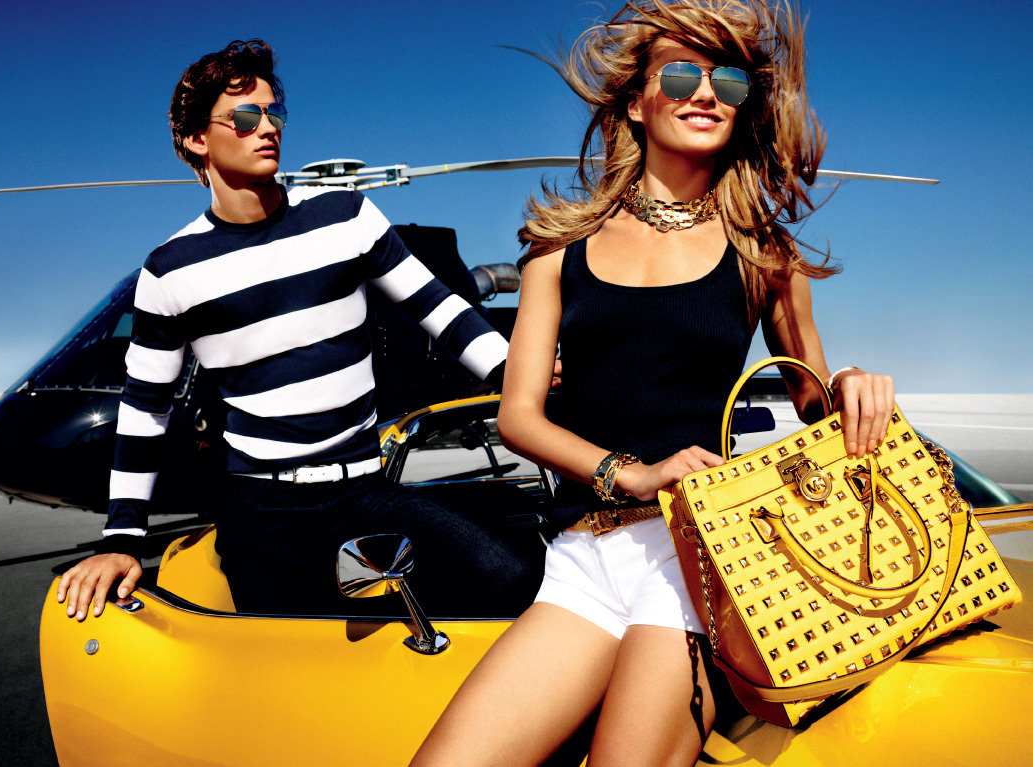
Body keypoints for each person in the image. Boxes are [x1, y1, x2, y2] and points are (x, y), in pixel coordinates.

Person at [411, 1, 895, 764]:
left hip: (699, 557)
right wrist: (629, 473)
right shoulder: (556, 249)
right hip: (586, 553)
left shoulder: (763, 252)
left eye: (727, 83)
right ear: (636, 103)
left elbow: (812, 398)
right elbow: (519, 418)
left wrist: (850, 383)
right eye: (678, 76)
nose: (705, 94)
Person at [56, 39, 536, 621]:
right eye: (244, 116)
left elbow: (441, 310)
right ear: (197, 140)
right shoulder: (168, 271)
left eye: (273, 113)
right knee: (290, 655)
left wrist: (519, 374)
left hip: (366, 488)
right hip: (263, 512)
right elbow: (145, 410)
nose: (267, 128)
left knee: (508, 577)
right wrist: (122, 539)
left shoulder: (347, 217)